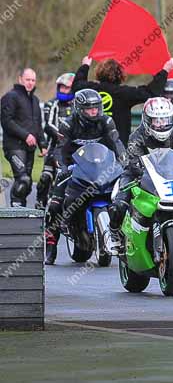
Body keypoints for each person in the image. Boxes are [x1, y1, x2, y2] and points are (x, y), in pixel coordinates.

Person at [108, 97, 173, 293]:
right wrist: (138, 174)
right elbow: (133, 161)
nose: (161, 125)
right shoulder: (137, 136)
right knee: (119, 203)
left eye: (164, 120)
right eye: (156, 120)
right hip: (138, 175)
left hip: (168, 179)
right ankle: (115, 236)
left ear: (171, 120)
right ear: (148, 120)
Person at [45, 89, 126, 264]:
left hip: (100, 167)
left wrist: (124, 161)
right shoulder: (68, 124)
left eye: (96, 108)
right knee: (54, 206)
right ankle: (51, 246)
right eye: (89, 109)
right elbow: (59, 149)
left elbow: (116, 142)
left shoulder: (106, 121)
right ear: (79, 109)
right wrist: (62, 166)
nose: (94, 112)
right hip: (74, 168)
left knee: (125, 195)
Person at [72, 55, 173, 144]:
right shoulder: (124, 93)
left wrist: (85, 66)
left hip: (90, 146)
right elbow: (151, 92)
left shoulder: (91, 89)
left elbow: (77, 86)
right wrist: (165, 70)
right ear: (120, 74)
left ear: (99, 72)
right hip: (118, 148)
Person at [1, 68, 47, 208]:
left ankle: (22, 214)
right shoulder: (10, 97)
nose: (30, 83)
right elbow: (6, 121)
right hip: (14, 146)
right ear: (20, 79)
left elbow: (37, 126)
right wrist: (25, 135)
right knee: (23, 179)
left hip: (29, 148)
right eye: (28, 79)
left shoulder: (35, 100)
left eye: (33, 80)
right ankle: (15, 207)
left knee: (26, 185)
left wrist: (43, 145)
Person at [35, 73, 75, 210]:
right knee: (45, 178)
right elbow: (48, 125)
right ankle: (40, 204)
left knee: (62, 182)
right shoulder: (53, 104)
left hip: (70, 151)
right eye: (61, 87)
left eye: (67, 88)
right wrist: (62, 135)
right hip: (53, 149)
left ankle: (57, 212)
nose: (63, 90)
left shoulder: (78, 105)